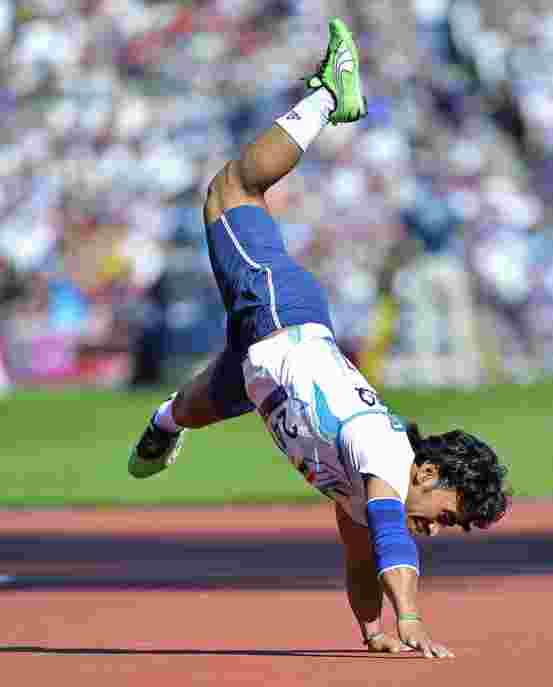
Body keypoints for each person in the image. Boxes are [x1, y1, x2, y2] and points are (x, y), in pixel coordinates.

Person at [127, 18, 509, 659]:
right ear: (432, 470)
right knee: (232, 189)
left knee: (194, 407)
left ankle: (166, 422)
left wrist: (373, 632)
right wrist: (410, 617)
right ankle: (331, 95)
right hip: (282, 321)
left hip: (260, 373)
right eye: (448, 515)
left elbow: (361, 560)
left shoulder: (371, 489)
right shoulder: (385, 458)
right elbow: (393, 540)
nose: (438, 531)